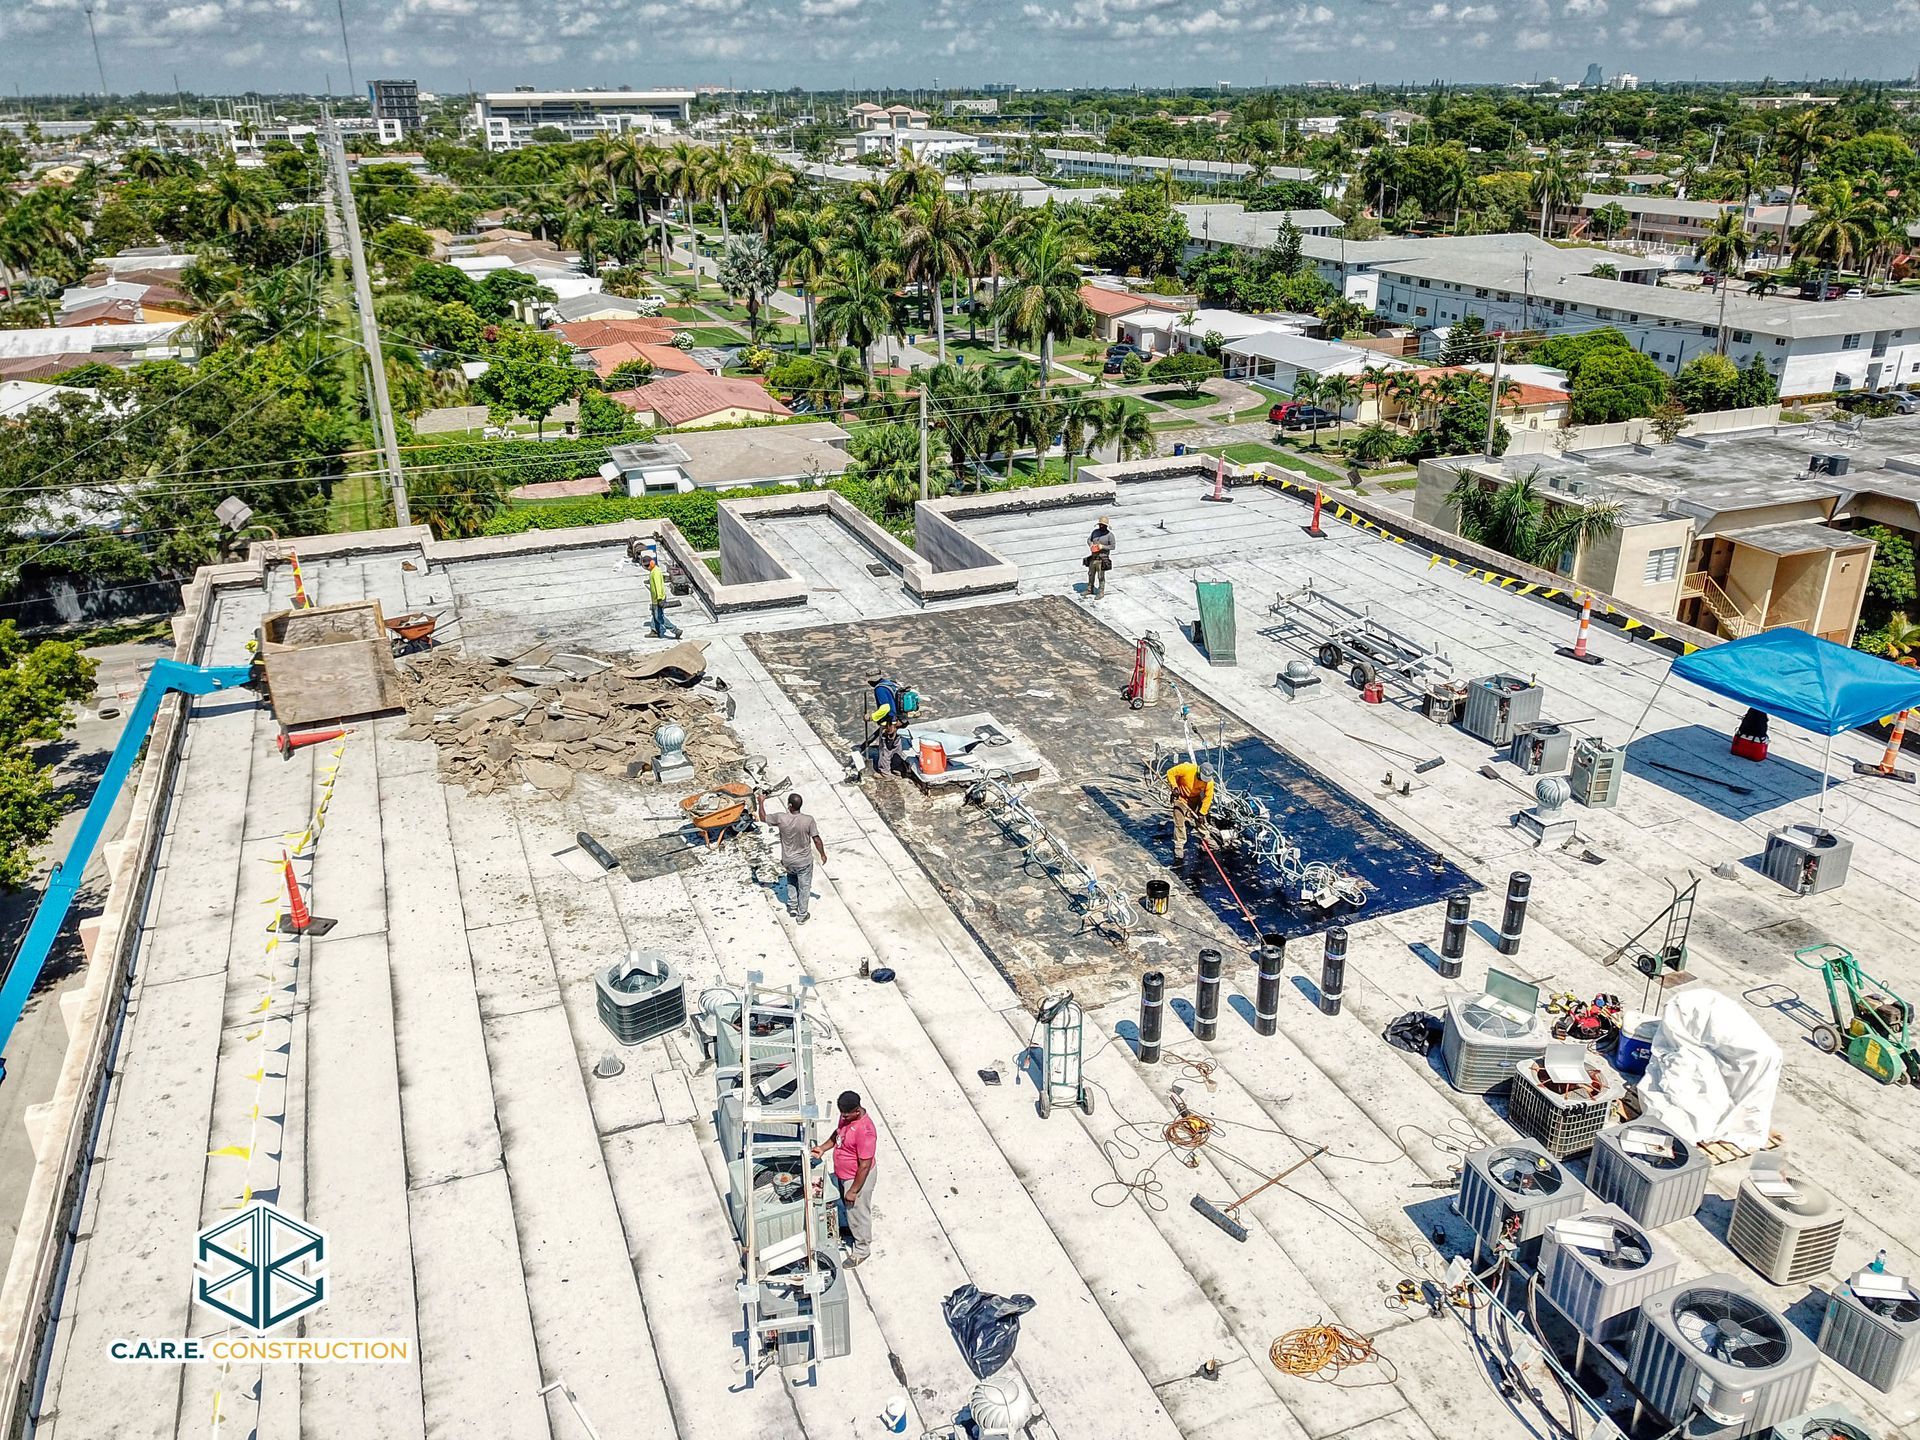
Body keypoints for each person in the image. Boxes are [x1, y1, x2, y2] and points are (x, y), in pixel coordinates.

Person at [813, 1090, 877, 1266]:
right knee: (850, 1210)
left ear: (857, 1110)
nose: (843, 1117)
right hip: (844, 1174)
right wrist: (823, 1148)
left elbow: (864, 1165)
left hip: (857, 1178)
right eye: (841, 1114)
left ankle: (862, 1249)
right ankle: (851, 1227)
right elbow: (838, 1134)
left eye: (846, 1115)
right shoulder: (847, 1117)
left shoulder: (865, 1131)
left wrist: (853, 1190)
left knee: (858, 1211)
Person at [758, 790, 826, 923]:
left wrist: (761, 802)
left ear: (789, 805)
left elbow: (763, 818)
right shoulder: (808, 820)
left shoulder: (781, 818)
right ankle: (802, 915)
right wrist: (822, 854)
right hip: (804, 862)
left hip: (788, 861)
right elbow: (817, 839)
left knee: (791, 880)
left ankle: (792, 906)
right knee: (804, 888)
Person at [1165, 759, 1214, 873]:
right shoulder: (1187, 769)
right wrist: (1174, 787)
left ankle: (1206, 837)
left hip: (1195, 798)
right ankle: (1179, 845)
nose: (1204, 781)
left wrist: (1202, 813)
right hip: (1181, 797)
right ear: (1198, 772)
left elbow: (1208, 798)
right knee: (1179, 822)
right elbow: (1170, 773)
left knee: (1200, 820)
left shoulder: (1209, 783)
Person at [643, 553, 682, 640]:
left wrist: (660, 599)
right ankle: (655, 631)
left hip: (658, 599)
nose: (647, 567)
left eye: (647, 565)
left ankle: (675, 630)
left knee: (659, 617)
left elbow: (658, 586)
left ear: (652, 563)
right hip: (656, 599)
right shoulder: (654, 571)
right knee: (655, 614)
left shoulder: (655, 572)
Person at [1084, 517, 1115, 598]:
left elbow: (1112, 546)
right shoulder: (1095, 532)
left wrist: (1102, 547)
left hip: (1102, 559)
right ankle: (1090, 589)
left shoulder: (1110, 535)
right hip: (1093, 557)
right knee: (1091, 574)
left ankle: (1101, 592)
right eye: (1100, 525)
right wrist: (1091, 545)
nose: (1101, 526)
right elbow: (1089, 540)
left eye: (1103, 525)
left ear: (1106, 526)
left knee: (1100, 576)